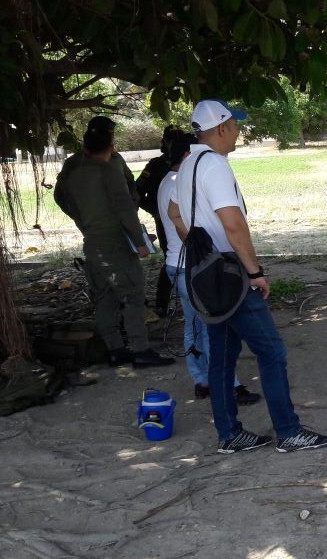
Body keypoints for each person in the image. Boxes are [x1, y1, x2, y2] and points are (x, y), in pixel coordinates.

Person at [173, 99, 327, 454]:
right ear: (221, 129)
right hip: (231, 276)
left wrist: (203, 248)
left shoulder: (186, 166)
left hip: (205, 276)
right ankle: (289, 431)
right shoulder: (214, 165)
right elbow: (233, 224)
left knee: (222, 356)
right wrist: (254, 272)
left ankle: (230, 434)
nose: (238, 132)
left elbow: (176, 214)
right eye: (235, 125)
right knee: (272, 352)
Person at [53, 125, 175, 369]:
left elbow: (60, 198)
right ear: (110, 145)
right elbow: (124, 208)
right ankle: (140, 350)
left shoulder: (73, 170)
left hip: (92, 241)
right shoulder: (109, 170)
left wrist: (82, 221)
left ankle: (116, 350)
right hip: (115, 241)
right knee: (132, 294)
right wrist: (140, 242)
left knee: (103, 297)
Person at [158, 132, 261, 405]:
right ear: (186, 156)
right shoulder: (180, 183)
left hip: (175, 264)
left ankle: (201, 380)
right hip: (192, 267)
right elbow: (183, 221)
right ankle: (230, 386)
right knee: (211, 331)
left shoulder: (167, 182)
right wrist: (200, 249)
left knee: (194, 327)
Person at [137, 125, 184, 316]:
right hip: (165, 221)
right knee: (172, 257)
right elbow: (137, 192)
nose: (174, 144)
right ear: (165, 142)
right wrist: (155, 211)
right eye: (171, 140)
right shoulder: (155, 165)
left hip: (186, 217)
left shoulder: (187, 162)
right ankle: (162, 303)